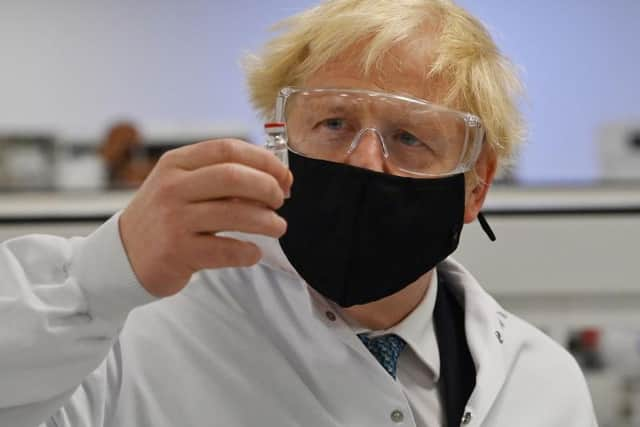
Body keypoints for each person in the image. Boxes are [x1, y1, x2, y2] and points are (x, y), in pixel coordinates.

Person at [0, 1, 597, 426]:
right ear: (280, 138)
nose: (365, 161)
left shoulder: (541, 384)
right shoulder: (130, 336)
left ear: (475, 187)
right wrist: (104, 276)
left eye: (410, 137)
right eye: (334, 123)